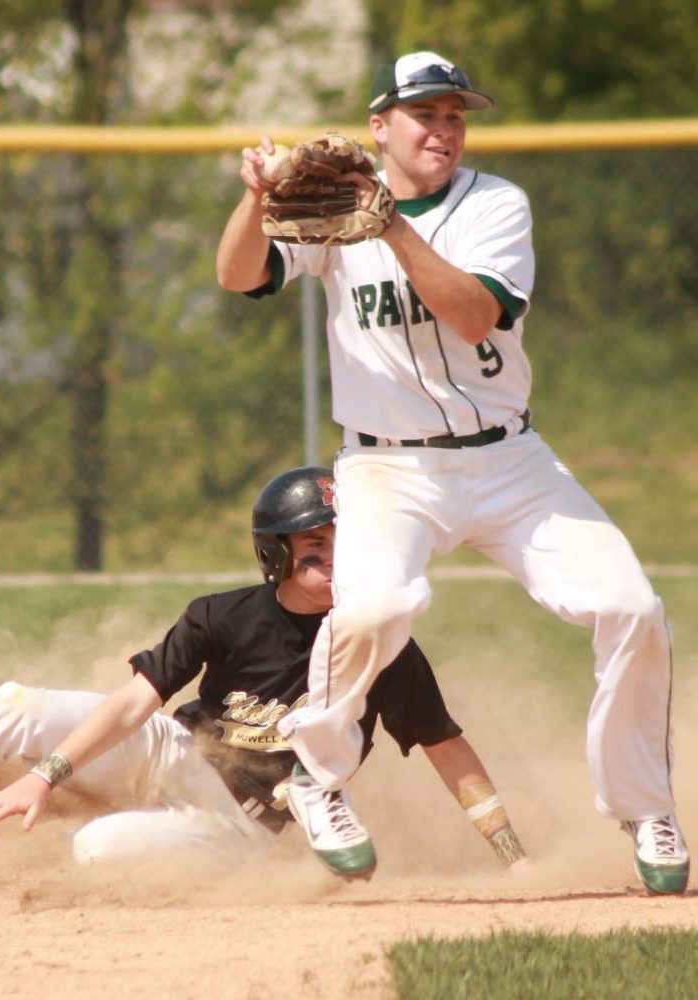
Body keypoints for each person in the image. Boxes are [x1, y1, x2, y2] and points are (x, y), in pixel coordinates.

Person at [216, 52, 689, 895]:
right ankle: (315, 776)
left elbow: (474, 316)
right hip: (388, 467)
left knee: (632, 609)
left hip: (509, 460)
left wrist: (391, 223)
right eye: (425, 114)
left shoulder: (496, 204)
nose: (443, 129)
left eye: (455, 116)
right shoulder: (335, 211)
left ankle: (644, 805)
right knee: (378, 607)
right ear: (380, 127)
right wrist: (256, 199)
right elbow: (237, 275)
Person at [0, 466, 526, 877]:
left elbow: (446, 747)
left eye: (341, 544)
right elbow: (134, 705)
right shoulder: (221, 616)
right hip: (173, 753)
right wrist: (47, 772)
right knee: (18, 705)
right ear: (275, 556)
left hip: (239, 826)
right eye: (312, 546)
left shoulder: (380, 642)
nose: (331, 562)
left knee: (95, 853)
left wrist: (510, 853)